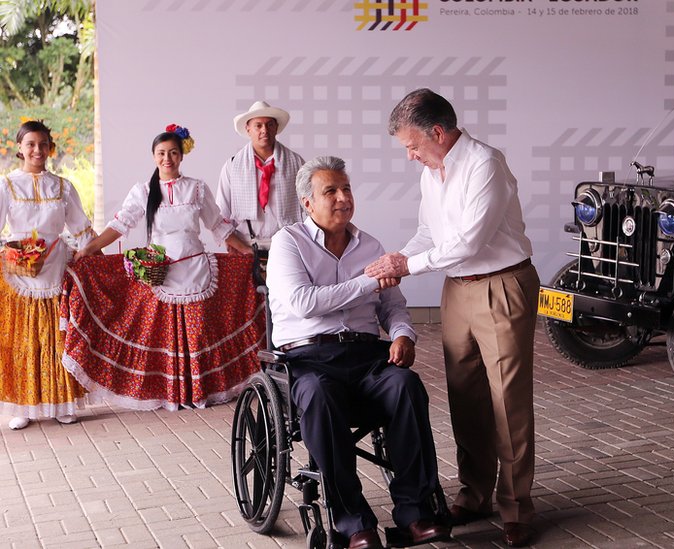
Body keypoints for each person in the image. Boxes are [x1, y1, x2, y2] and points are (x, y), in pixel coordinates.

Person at [365, 88, 540, 548]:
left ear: (438, 132)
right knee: (465, 396)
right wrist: (398, 255)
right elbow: (431, 231)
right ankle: (476, 493)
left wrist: (407, 267)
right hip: (457, 290)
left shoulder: (485, 164)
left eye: (413, 146)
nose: (410, 156)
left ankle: (517, 508)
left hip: (501, 285)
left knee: (507, 401)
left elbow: (469, 243)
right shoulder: (433, 172)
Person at [267, 156, 449, 549]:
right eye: (330, 191)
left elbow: (394, 306)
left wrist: (403, 335)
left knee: (406, 386)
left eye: (346, 189)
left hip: (366, 356)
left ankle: (415, 514)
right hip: (309, 359)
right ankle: (353, 523)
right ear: (307, 202)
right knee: (318, 395)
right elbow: (304, 302)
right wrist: (367, 283)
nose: (342, 198)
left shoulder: (370, 245)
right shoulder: (288, 242)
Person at [65, 125, 262, 410]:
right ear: (153, 156)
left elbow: (217, 225)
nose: (167, 158)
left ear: (182, 156)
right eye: (161, 153)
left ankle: (198, 390)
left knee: (198, 334)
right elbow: (120, 225)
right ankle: (171, 392)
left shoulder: (196, 188)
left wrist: (246, 251)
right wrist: (90, 249)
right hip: (159, 272)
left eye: (172, 153)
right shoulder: (144, 191)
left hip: (195, 268)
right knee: (164, 335)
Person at [0, 120, 95, 430]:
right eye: (30, 144)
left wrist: (95, 254)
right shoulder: (7, 185)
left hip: (55, 268)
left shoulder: (63, 186)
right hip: (19, 273)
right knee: (24, 339)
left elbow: (80, 227)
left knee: (59, 338)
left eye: (43, 144)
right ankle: (22, 407)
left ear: (50, 147)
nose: (37, 150)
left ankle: (62, 404)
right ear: (20, 148)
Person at [217, 100, 305, 249]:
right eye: (258, 125)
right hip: (245, 244)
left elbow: (308, 207)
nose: (264, 130)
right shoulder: (232, 165)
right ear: (248, 129)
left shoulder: (296, 163)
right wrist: (233, 244)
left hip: (288, 244)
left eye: (269, 124)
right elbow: (222, 212)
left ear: (276, 128)